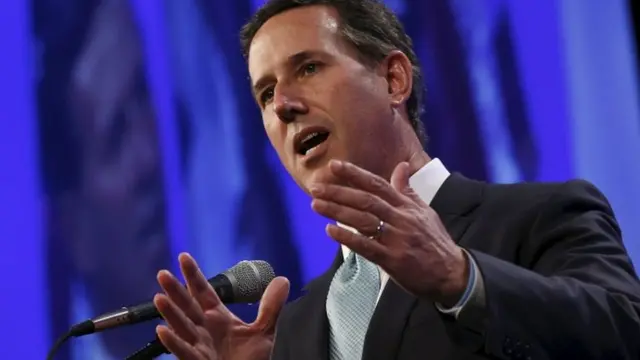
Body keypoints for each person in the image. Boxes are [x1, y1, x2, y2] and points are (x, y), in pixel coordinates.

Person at [151, 0, 640, 359]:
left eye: (309, 67)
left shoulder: (538, 216)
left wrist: (462, 279)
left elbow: (625, 337)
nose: (283, 105)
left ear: (393, 81)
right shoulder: (299, 327)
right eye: (265, 93)